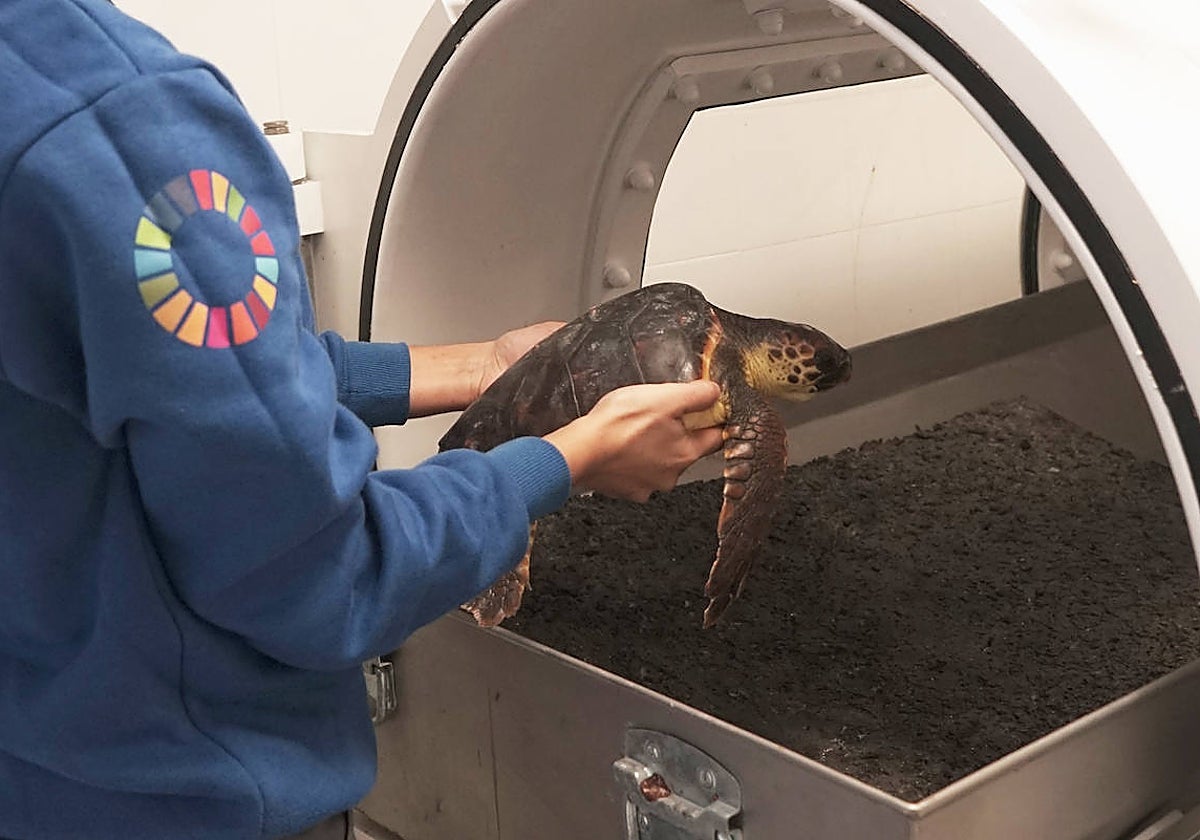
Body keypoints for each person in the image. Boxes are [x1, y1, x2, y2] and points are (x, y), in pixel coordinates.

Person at [0, 2, 724, 838]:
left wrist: (484, 365)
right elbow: (322, 578)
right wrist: (562, 460)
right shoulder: (126, 138)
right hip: (184, 801)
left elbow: (142, 392)